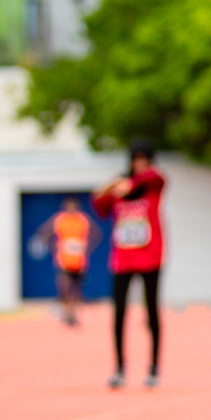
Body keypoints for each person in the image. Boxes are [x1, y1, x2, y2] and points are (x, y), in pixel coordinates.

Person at [93, 141, 166, 389]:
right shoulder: (119, 190)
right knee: (119, 313)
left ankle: (154, 367)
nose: (140, 164)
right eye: (136, 159)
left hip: (150, 257)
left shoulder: (152, 184)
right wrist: (111, 186)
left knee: (152, 311)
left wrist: (127, 184)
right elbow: (99, 204)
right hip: (123, 259)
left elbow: (157, 176)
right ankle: (120, 367)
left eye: (144, 159)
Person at [38, 197, 99, 327]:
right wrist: (54, 249)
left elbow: (96, 233)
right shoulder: (60, 219)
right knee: (64, 288)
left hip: (79, 261)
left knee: (76, 289)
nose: (71, 210)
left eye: (74, 207)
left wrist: (87, 249)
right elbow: (44, 232)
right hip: (63, 261)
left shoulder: (83, 220)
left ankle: (74, 314)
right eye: (69, 207)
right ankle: (67, 312)